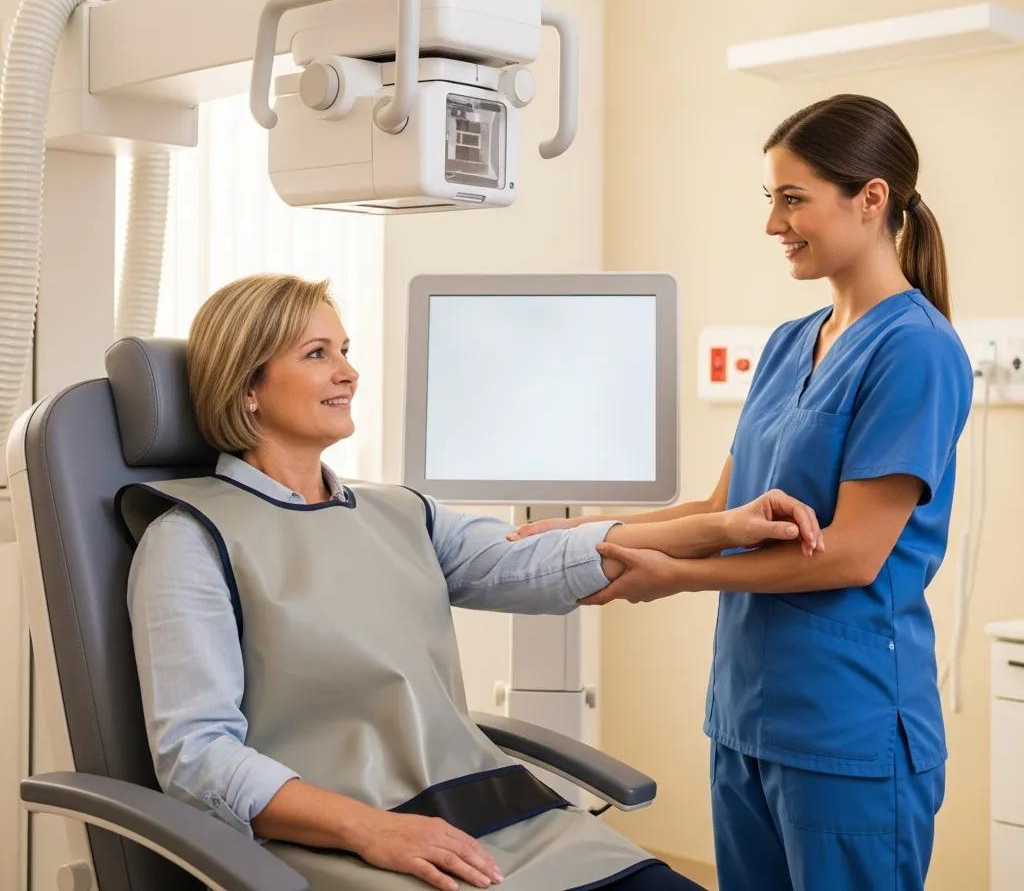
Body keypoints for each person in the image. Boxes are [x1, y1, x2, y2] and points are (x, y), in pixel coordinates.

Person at [119, 273, 823, 891]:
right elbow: (197, 757)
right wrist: (371, 829)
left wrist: (721, 527)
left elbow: (536, 560)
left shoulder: (400, 512)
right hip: (346, 845)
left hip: (498, 822)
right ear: (247, 387)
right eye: (317, 354)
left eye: (345, 350)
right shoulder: (191, 540)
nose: (349, 373)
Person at [511, 95, 974, 891]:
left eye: (793, 199)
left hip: (847, 726)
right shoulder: (792, 342)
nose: (773, 224)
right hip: (747, 715)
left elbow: (853, 556)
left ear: (871, 199)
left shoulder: (917, 351)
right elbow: (719, 511)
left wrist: (675, 577)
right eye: (771, 199)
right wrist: (590, 531)